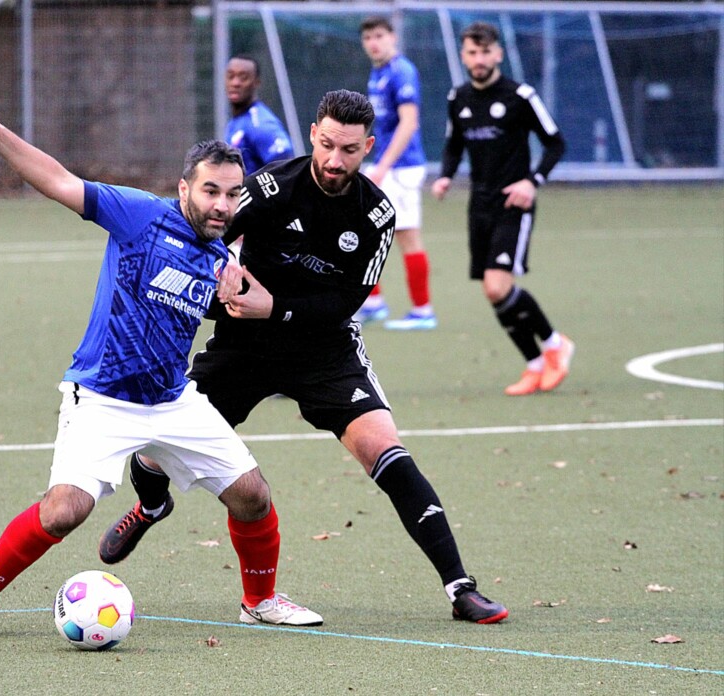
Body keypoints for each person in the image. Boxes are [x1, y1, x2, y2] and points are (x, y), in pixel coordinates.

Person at [100, 89, 508, 625]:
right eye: (328, 145)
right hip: (245, 347)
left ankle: (461, 588)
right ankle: (152, 505)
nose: (336, 160)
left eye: (350, 150)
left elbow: (345, 304)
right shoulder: (270, 187)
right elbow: (208, 232)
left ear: (369, 147)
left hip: (324, 348)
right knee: (155, 451)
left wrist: (278, 308)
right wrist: (218, 278)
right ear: (315, 133)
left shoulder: (376, 214)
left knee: (387, 451)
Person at [0, 88, 322, 639]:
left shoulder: (218, 254)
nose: (221, 205)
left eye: (232, 195)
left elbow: (249, 303)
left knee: (253, 496)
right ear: (185, 186)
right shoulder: (139, 215)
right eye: (210, 190)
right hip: (104, 398)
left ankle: (258, 601)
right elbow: (59, 180)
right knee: (64, 510)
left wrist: (241, 293)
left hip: (172, 400)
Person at [431, 22, 574, 396]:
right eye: (471, 53)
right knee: (492, 290)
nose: (479, 59)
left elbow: (555, 144)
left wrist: (532, 182)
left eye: (485, 52)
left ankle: (556, 344)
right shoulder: (457, 98)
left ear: (498, 53)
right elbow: (453, 146)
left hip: (514, 201)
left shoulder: (520, 95)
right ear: (463, 56)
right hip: (479, 203)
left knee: (498, 285)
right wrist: (445, 176)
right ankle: (535, 364)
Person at [355, 16, 437, 331]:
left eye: (379, 35)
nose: (374, 42)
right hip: (385, 165)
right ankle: (374, 302)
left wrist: (382, 167)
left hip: (401, 168)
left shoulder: (402, 71)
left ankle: (423, 310)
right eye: (368, 38)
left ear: (392, 37)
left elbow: (409, 123)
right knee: (365, 230)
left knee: (406, 237)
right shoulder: (378, 74)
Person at [224, 54, 295, 177]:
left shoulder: (260, 123)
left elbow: (286, 164)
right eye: (231, 76)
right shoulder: (236, 122)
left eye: (243, 77)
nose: (235, 83)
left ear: (256, 82)